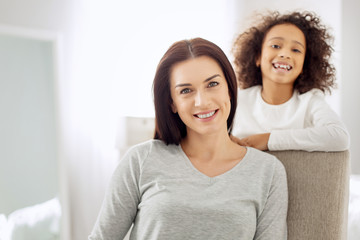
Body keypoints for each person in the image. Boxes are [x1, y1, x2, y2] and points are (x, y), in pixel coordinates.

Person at [89, 38, 288, 240]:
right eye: (186, 90)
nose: (202, 101)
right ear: (172, 103)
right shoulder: (141, 160)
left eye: (212, 84)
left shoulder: (268, 171)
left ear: (229, 88)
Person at [231, 11, 350, 152]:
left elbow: (339, 137)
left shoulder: (309, 101)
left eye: (296, 50)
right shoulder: (238, 99)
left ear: (305, 65)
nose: (285, 54)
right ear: (257, 56)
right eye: (275, 46)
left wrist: (269, 140)